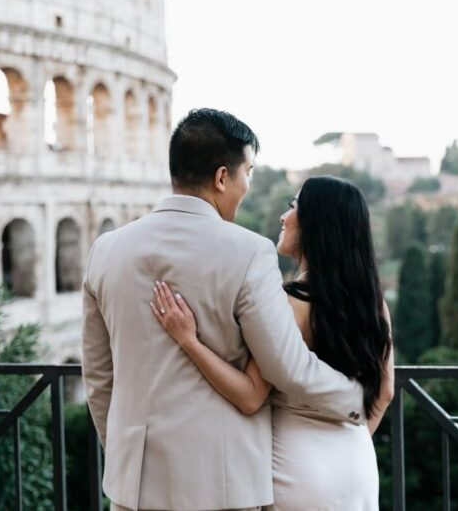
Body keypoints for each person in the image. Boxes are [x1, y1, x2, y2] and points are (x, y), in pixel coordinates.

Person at [82, 108, 366, 511]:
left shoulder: (105, 251)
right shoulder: (250, 253)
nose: (247, 184)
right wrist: (356, 396)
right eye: (247, 172)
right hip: (224, 488)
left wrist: (126, 457)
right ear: (221, 177)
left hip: (134, 489)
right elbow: (287, 366)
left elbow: (97, 377)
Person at [152, 175, 395, 510]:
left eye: (293, 207)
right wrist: (344, 444)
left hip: (300, 471)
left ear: (317, 223)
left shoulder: (289, 305)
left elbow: (250, 395)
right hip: (357, 462)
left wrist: (189, 341)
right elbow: (385, 392)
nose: (284, 217)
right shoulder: (374, 302)